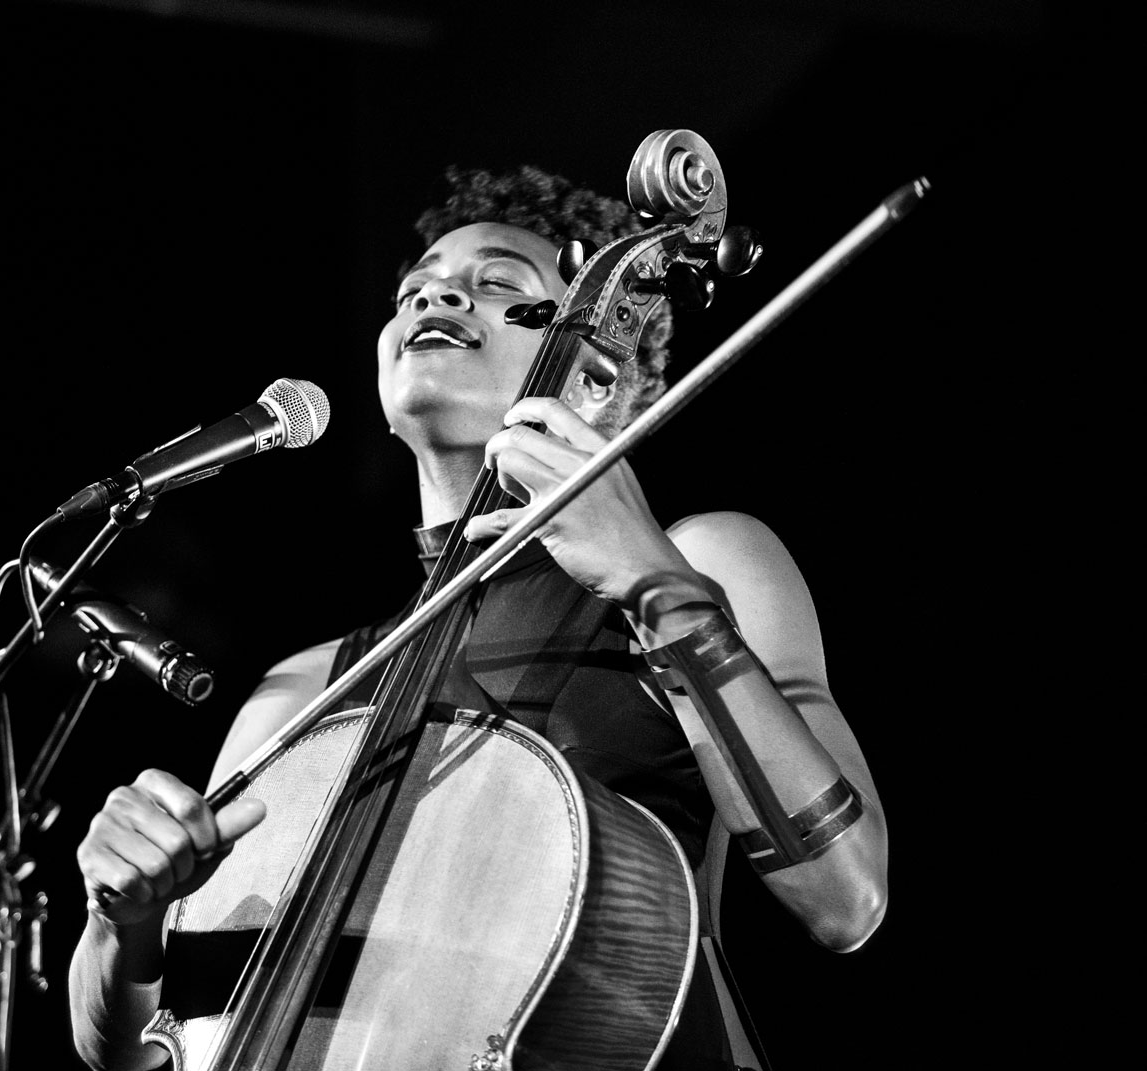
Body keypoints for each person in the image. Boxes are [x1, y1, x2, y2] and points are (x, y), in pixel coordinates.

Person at [67, 165, 888, 1070]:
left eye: (499, 283)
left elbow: (845, 896)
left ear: (598, 377)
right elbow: (149, 1055)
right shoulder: (304, 690)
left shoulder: (702, 560)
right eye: (414, 289)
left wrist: (650, 576)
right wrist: (124, 930)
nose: (441, 292)